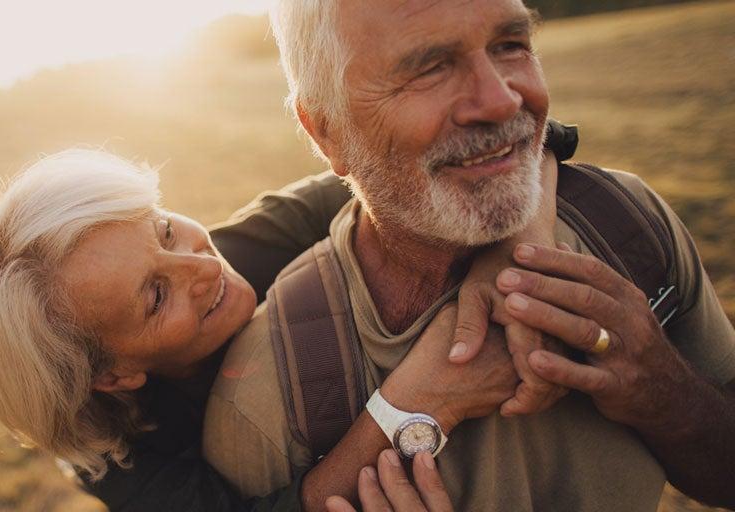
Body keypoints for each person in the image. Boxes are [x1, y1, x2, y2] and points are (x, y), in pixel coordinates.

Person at [202, 0, 735, 510]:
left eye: (510, 44)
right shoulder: (270, 394)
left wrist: (666, 391)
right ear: (326, 130)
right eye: (429, 68)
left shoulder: (629, 224)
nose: (503, 100)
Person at [0, 121, 577, 511]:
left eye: (165, 229)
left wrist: (511, 263)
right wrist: (415, 404)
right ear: (112, 375)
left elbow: (509, 141)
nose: (201, 267)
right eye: (154, 297)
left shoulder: (252, 242)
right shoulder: (117, 458)